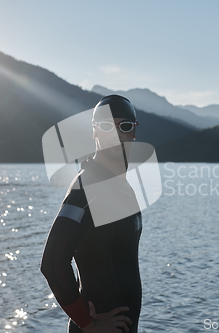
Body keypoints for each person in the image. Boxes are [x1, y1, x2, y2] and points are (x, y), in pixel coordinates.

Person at [41, 95, 143, 333]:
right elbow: (53, 263)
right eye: (107, 126)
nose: (116, 135)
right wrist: (88, 323)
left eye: (124, 127)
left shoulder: (121, 187)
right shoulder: (86, 188)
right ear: (95, 132)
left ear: (134, 133)